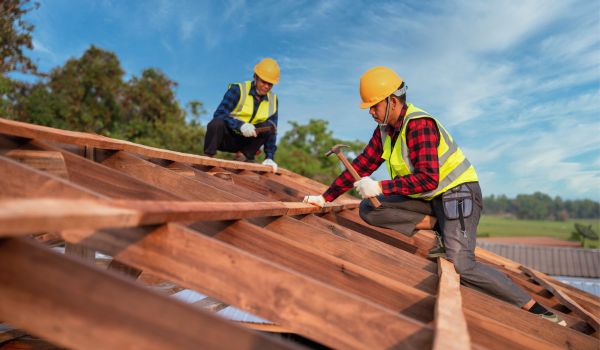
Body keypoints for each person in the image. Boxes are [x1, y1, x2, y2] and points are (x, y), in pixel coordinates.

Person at [303, 66, 566, 326]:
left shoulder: (419, 125)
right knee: (368, 209)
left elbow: (429, 178)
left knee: (462, 263)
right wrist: (325, 197)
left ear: (392, 101)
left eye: (374, 106)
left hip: (459, 194)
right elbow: (361, 166)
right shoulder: (384, 131)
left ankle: (539, 311)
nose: (371, 112)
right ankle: (441, 224)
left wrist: (381, 186)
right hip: (431, 199)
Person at [204, 57, 280, 172]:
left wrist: (269, 156)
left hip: (247, 144)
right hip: (226, 139)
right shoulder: (238, 90)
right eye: (264, 81)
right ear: (255, 77)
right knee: (216, 123)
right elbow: (219, 114)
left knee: (270, 127)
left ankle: (244, 157)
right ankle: (208, 157)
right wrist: (240, 125)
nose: (266, 86)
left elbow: (272, 129)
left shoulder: (273, 100)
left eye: (270, 84)